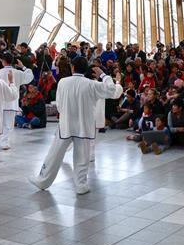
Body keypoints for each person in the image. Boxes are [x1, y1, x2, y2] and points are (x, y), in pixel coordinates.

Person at [29, 57, 123, 195]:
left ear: (73, 67)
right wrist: (103, 75)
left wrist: (66, 113)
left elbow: (59, 105)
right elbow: (111, 91)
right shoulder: (91, 84)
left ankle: (43, 179)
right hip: (84, 126)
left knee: (54, 154)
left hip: (66, 124)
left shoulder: (63, 82)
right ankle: (81, 185)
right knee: (82, 157)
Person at [0, 53, 34, 150]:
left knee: (0, 123)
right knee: (8, 124)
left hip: (0, 102)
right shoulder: (17, 73)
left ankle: (0, 140)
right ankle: (4, 142)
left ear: (3, 61)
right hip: (12, 102)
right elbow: (29, 77)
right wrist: (23, 67)